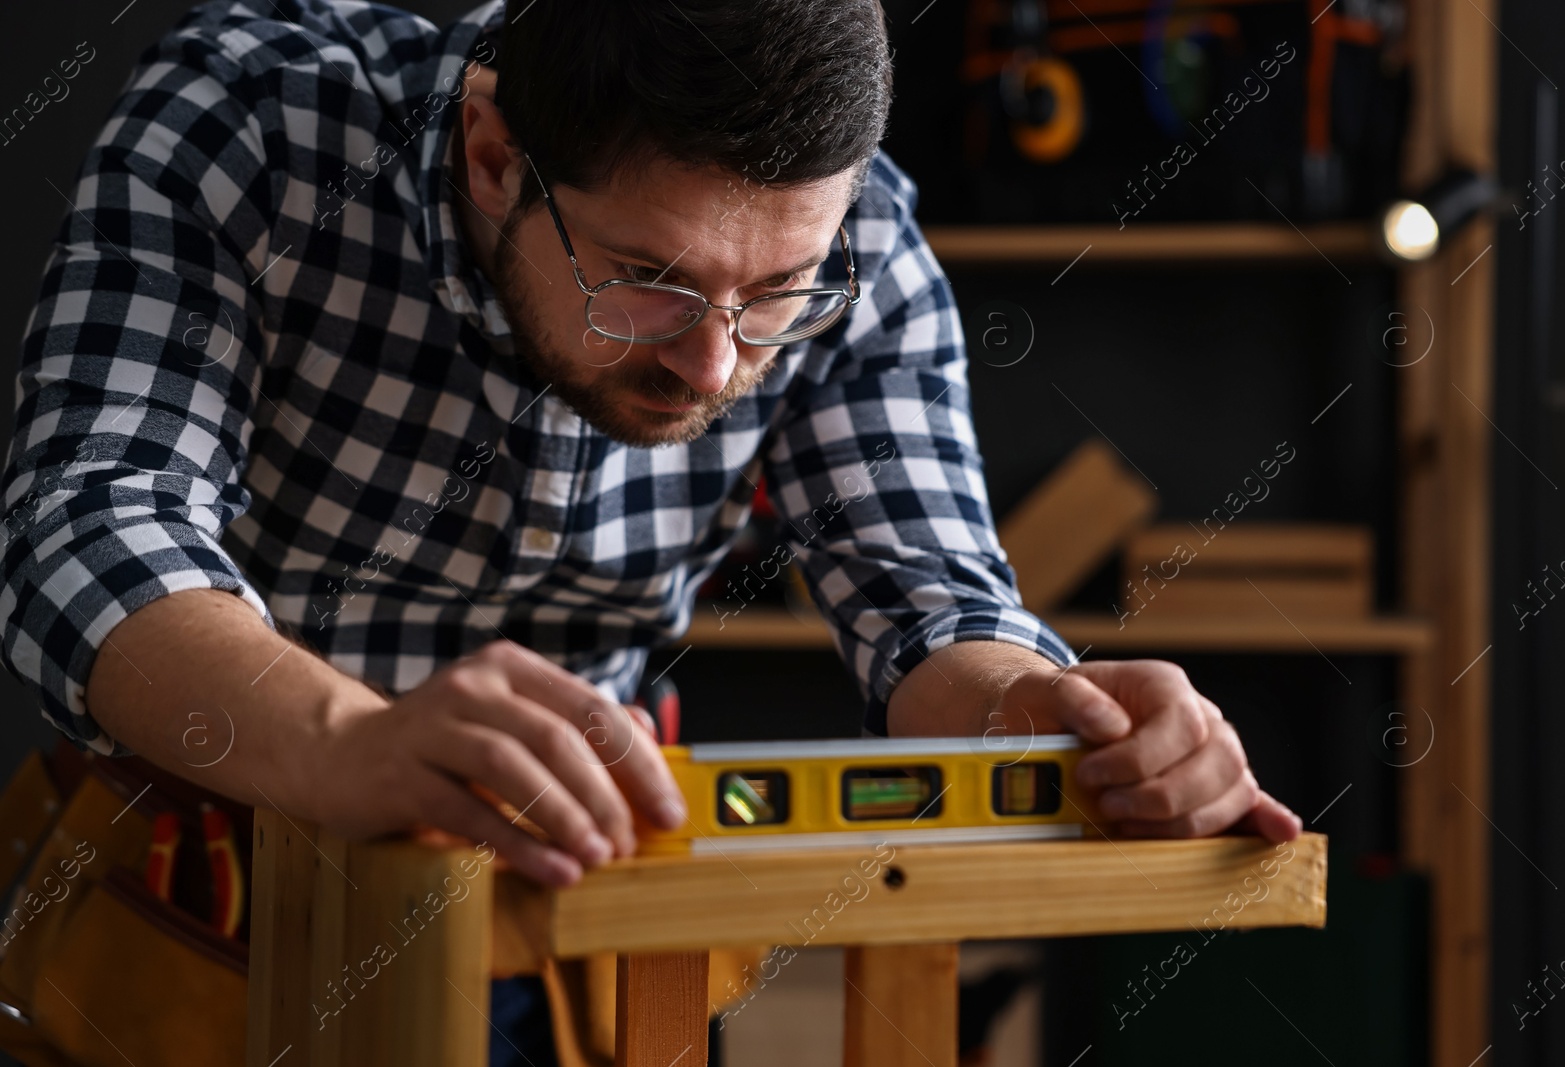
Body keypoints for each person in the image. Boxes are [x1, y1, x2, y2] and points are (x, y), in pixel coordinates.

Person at [0, 0, 1301, 1057]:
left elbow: (931, 611)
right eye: (648, 281)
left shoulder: (867, 247)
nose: (716, 365)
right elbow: (90, 526)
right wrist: (349, 744)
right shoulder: (259, 128)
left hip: (566, 904)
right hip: (187, 903)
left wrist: (1066, 727)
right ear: (494, 152)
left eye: (778, 291)